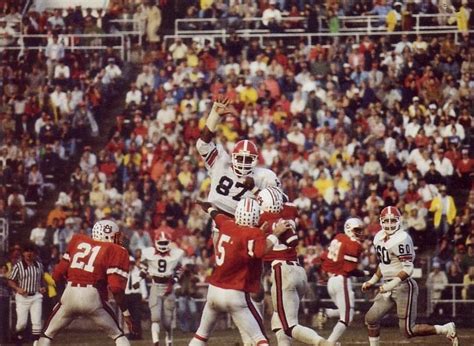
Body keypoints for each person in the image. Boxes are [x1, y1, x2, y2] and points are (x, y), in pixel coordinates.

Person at [189, 198, 291, 346]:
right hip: (235, 294)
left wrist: (209, 208)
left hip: (214, 291)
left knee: (201, 335)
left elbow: (216, 215)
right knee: (260, 339)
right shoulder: (253, 234)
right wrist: (275, 234)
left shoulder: (227, 225)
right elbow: (260, 250)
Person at [362, 206, 458, 346]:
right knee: (371, 318)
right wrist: (372, 280)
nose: (389, 224)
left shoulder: (402, 238)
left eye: (392, 221)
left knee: (408, 330)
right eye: (386, 221)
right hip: (388, 287)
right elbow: (384, 264)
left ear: (399, 221)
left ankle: (445, 329)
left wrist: (390, 284)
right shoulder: (379, 237)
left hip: (403, 286)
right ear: (381, 221)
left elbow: (408, 269)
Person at [257, 187, 334, 346]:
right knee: (278, 321)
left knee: (288, 325)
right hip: (298, 271)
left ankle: (323, 343)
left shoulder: (264, 218)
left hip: (282, 271)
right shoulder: (290, 210)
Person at [37, 220, 132, 346]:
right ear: (108, 235)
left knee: (47, 334)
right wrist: (126, 313)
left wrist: (54, 291)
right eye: (115, 235)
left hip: (70, 293)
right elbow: (115, 288)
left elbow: (56, 275)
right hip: (92, 296)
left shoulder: (78, 241)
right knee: (118, 335)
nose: (118, 239)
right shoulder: (116, 250)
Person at [195, 95, 280, 216]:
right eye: (240, 158)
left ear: (255, 160)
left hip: (247, 223)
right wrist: (214, 116)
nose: (243, 162)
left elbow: (278, 204)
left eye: (248, 159)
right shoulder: (221, 163)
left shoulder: (264, 176)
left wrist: (255, 190)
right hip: (217, 217)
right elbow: (202, 144)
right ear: (233, 156)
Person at [319, 217, 367, 342]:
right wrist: (364, 273)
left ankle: (327, 312)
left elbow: (323, 257)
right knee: (346, 318)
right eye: (356, 230)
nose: (359, 233)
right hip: (342, 281)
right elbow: (349, 269)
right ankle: (329, 343)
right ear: (349, 229)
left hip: (332, 281)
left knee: (345, 312)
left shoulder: (338, 237)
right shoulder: (353, 244)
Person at [140, 232, 184, 346]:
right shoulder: (149, 253)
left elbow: (180, 269)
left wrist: (175, 280)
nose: (163, 245)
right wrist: (141, 276)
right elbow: (144, 267)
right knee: (155, 317)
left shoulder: (176, 254)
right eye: (161, 243)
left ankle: (169, 338)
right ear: (156, 243)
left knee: (168, 321)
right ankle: (156, 342)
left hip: (168, 287)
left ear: (169, 243)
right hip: (155, 286)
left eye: (165, 243)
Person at [8, 243, 46, 345]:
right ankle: (17, 340)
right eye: (26, 251)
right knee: (21, 324)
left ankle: (36, 344)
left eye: (31, 251)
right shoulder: (18, 266)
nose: (29, 253)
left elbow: (42, 279)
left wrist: (42, 287)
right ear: (23, 253)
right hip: (22, 298)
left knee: (37, 323)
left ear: (35, 253)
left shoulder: (39, 265)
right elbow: (11, 280)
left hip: (36, 297)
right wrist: (17, 288)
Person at [124, 256, 148, 340]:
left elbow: (142, 284)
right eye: (128, 264)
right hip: (126, 295)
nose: (130, 266)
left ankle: (138, 334)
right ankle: (131, 334)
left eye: (131, 264)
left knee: (137, 316)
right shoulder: (124, 273)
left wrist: (144, 295)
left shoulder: (138, 272)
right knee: (129, 316)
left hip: (136, 295)